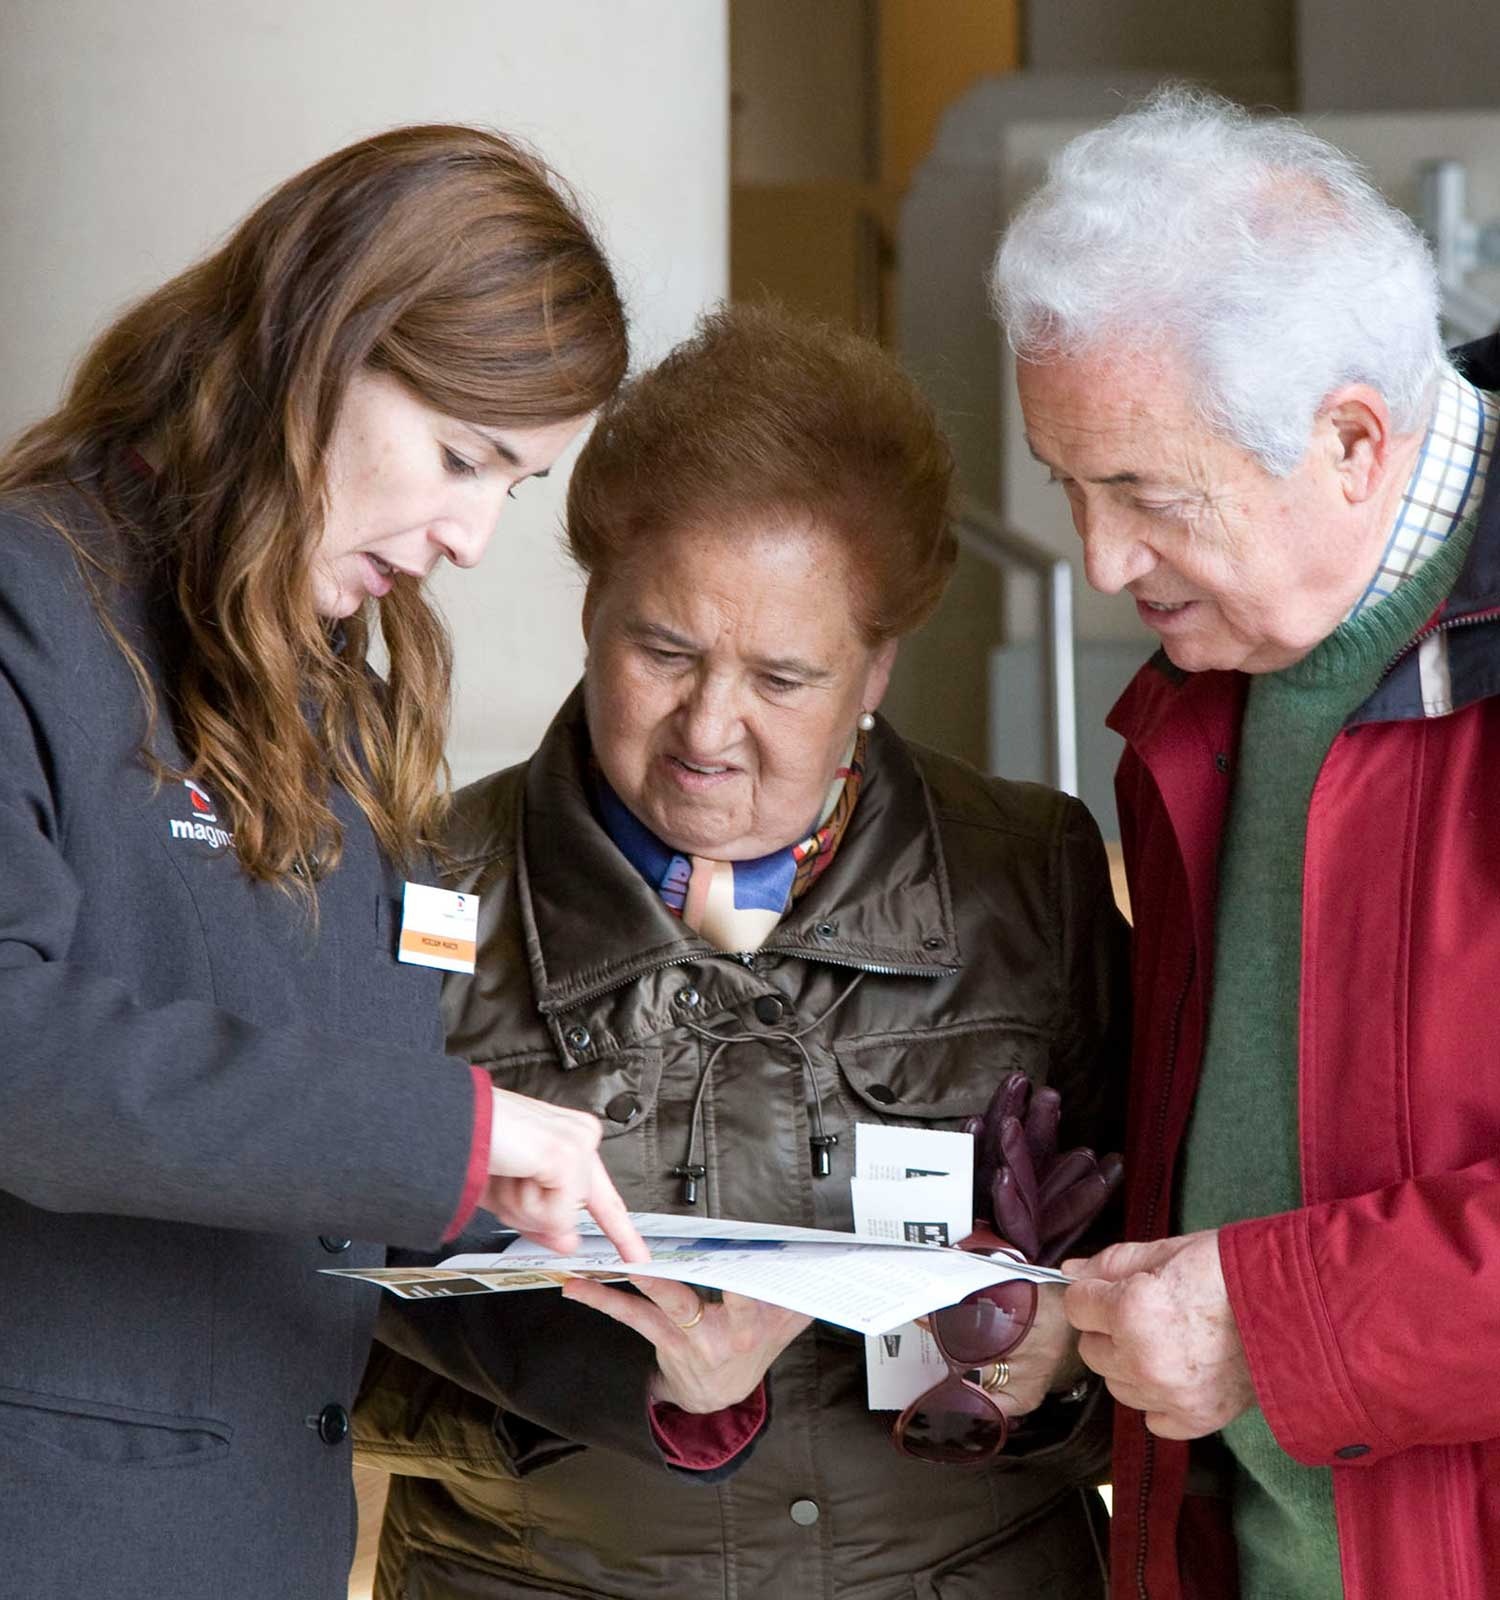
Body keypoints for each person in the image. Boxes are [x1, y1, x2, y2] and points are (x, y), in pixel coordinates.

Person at [354, 303, 1129, 1599]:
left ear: (875, 669)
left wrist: (1064, 1363)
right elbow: (292, 1334)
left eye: (781, 678)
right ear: (592, 607)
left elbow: (1194, 1295)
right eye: (662, 651)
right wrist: (617, 1388)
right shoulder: (419, 887)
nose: (709, 727)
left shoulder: (1029, 878)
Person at [0, 124, 652, 1600]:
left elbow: (319, 1164)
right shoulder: (28, 605)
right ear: (323, 349)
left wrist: (664, 1362)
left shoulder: (344, 687)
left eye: (516, 486)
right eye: (460, 458)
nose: (476, 538)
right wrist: (458, 1133)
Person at [992, 88, 1500, 1600]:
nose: (1098, 560)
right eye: (1068, 486)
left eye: (1147, 492)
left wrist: (1271, 1326)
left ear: (1352, 441)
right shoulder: (1227, 678)